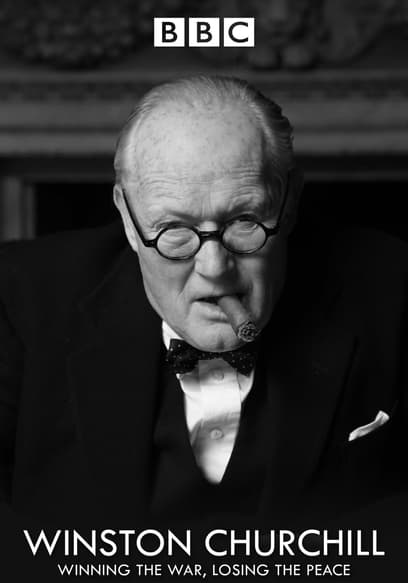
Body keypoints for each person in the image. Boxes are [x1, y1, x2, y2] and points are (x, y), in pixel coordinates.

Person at [0, 76, 407, 579]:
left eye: (244, 221)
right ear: (127, 218)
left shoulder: (393, 290)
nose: (215, 268)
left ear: (289, 203)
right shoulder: (16, 301)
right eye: (174, 231)